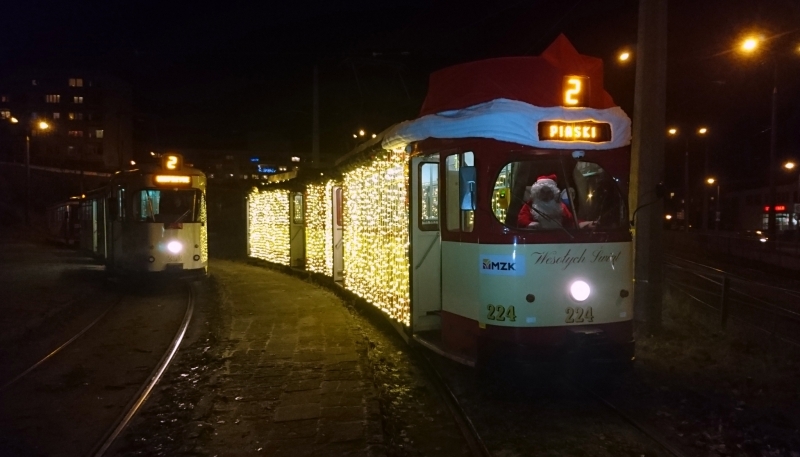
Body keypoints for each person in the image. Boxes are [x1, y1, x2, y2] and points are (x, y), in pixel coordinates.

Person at [517, 174, 595, 229]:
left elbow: (570, 222)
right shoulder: (530, 205)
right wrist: (529, 223)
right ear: (537, 193)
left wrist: (586, 224)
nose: (545, 195)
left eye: (548, 192)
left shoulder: (560, 206)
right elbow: (521, 219)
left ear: (553, 193)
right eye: (542, 192)